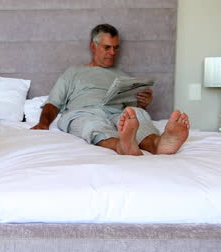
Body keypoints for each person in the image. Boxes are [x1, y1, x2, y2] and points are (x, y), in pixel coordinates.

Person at [31, 24, 190, 155]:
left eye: (115, 48)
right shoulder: (73, 72)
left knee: (138, 115)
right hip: (85, 112)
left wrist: (144, 104)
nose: (112, 53)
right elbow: (53, 103)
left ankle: (158, 143)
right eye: (107, 47)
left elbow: (132, 109)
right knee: (92, 124)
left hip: (117, 113)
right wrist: (43, 123)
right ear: (93, 46)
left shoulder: (123, 76)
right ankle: (121, 145)